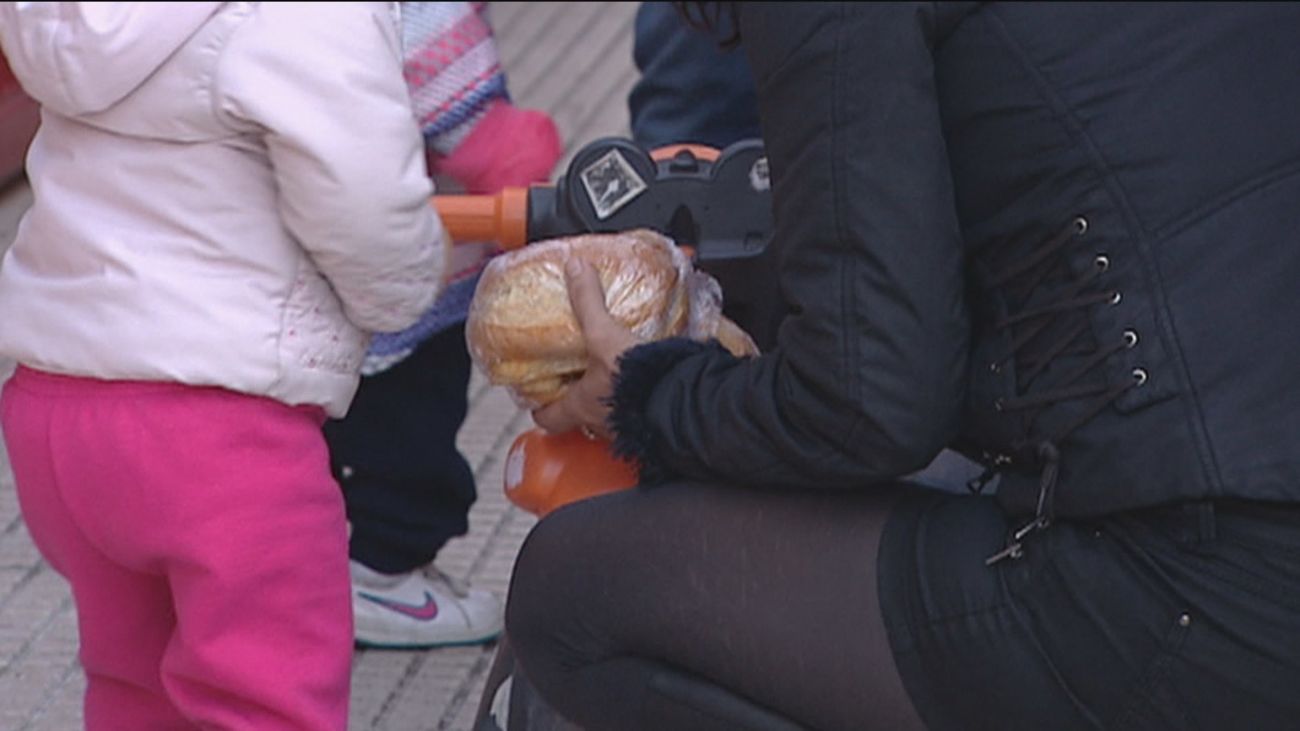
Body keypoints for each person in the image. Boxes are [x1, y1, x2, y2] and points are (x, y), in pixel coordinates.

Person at [500, 3, 1300, 730]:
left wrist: (650, 393)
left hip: (1194, 596)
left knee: (572, 591)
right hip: (1233, 521)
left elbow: (868, 408)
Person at [0, 3, 448, 729]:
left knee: (132, 688)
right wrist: (404, 292)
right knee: (267, 701)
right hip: (222, 436)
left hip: (57, 407)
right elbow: (363, 198)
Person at [326, 1, 563, 649]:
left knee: (320, 436)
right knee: (410, 434)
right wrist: (519, 151)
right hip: (411, 279)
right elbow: (459, 109)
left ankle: (317, 567)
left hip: (317, 273)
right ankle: (385, 571)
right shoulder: (418, 10)